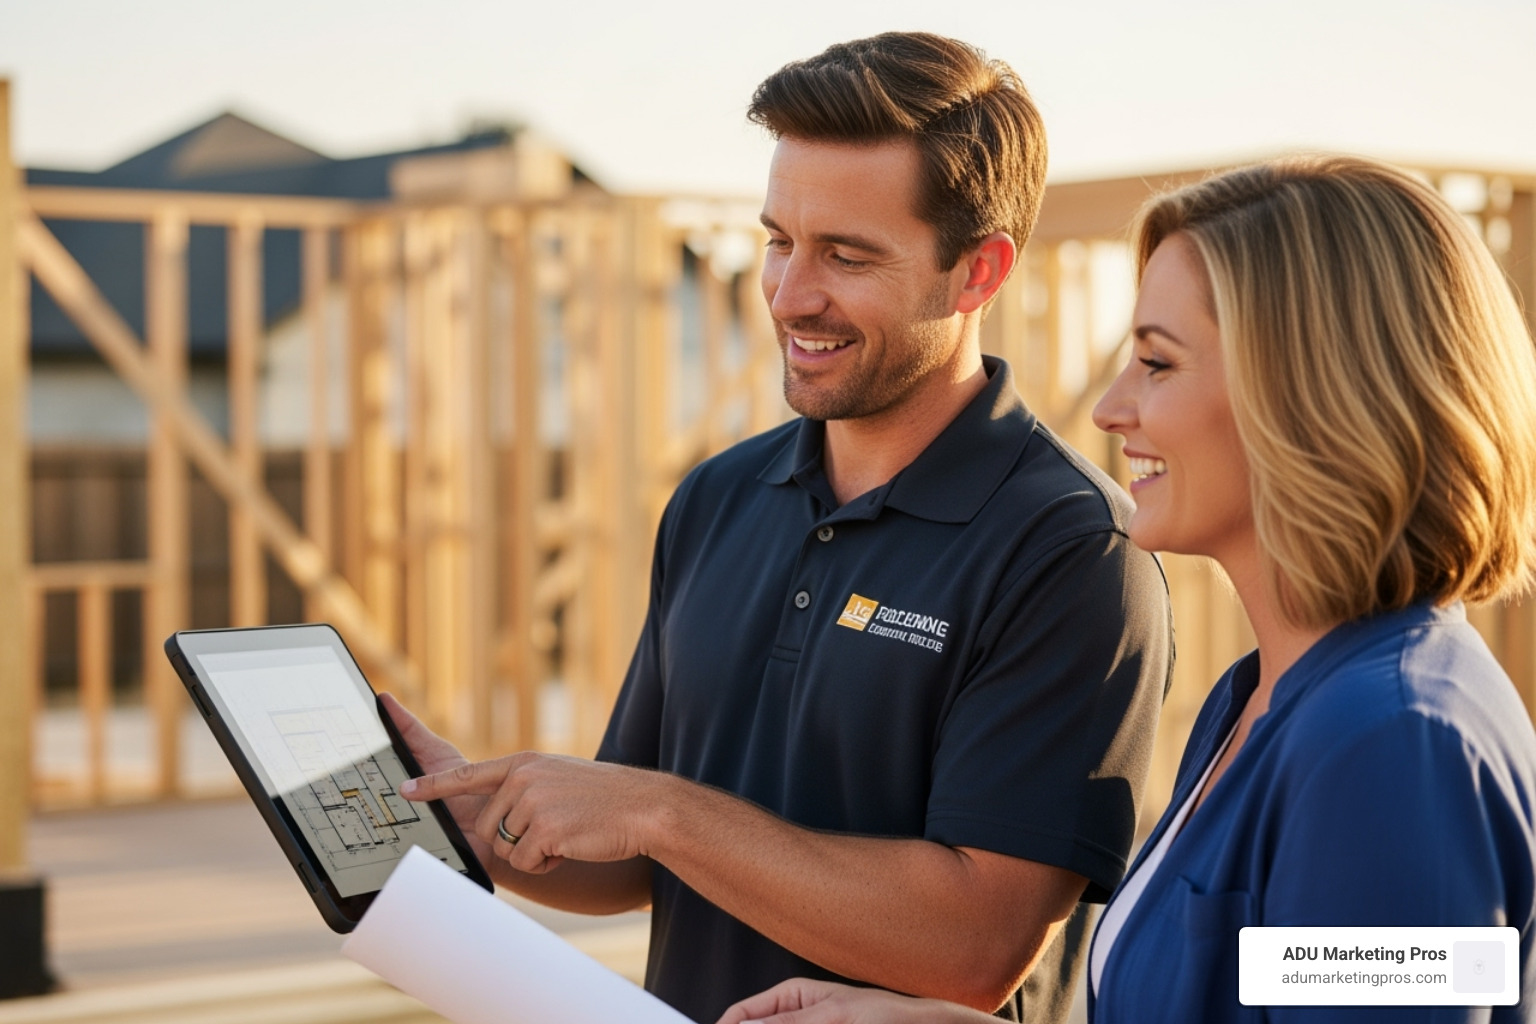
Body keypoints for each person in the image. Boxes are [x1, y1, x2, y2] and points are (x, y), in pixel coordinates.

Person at [389, 31, 1173, 1024]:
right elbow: (634, 863)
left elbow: (977, 949)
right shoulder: (718, 498)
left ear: (978, 273)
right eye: (777, 240)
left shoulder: (1068, 551)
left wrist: (662, 810)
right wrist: (473, 818)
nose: (790, 294)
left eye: (846, 256)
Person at [714, 155, 1536, 1024]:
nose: (1109, 408)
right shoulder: (1259, 700)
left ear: (1311, 393)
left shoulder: (1393, 744)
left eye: (1157, 362)